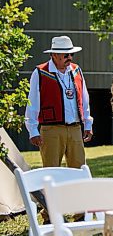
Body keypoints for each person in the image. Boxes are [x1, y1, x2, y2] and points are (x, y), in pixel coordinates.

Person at [25, 36, 93, 167]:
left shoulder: (76, 70)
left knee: (79, 169)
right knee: (52, 170)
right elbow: (32, 102)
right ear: (54, 55)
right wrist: (33, 130)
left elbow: (84, 99)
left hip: (75, 128)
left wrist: (88, 123)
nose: (70, 58)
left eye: (71, 54)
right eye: (66, 54)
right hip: (51, 129)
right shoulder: (40, 72)